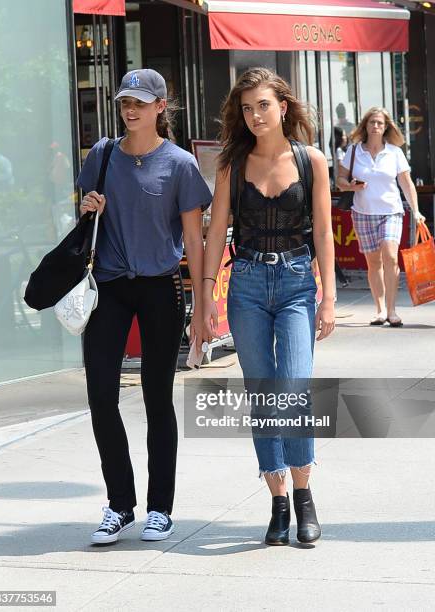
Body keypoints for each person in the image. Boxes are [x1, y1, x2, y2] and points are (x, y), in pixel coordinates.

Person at [77, 69, 212, 544]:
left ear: (160, 106)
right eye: (124, 102)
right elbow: (84, 220)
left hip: (160, 288)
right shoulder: (102, 154)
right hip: (109, 288)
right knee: (100, 396)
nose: (130, 110)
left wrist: (203, 304)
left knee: (158, 399)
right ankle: (119, 504)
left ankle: (160, 508)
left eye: (139, 102)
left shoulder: (179, 165)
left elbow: (194, 241)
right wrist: (89, 205)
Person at [203, 68, 335, 546]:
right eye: (246, 108)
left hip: (300, 281)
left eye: (263, 105)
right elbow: (216, 231)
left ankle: (304, 494)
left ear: (283, 106)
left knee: (294, 385)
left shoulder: (312, 159)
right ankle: (278, 499)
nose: (255, 115)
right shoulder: (231, 163)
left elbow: (322, 232)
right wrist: (204, 296)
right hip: (247, 283)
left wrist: (329, 299)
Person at [337, 107, 425, 326]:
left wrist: (416, 211)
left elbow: (406, 183)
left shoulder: (394, 152)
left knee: (391, 257)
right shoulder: (354, 151)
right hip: (363, 213)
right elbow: (339, 180)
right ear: (365, 126)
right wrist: (350, 186)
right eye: (372, 122)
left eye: (380, 123)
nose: (376, 126)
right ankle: (380, 309)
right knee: (373, 262)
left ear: (386, 127)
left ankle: (392, 310)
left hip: (391, 212)